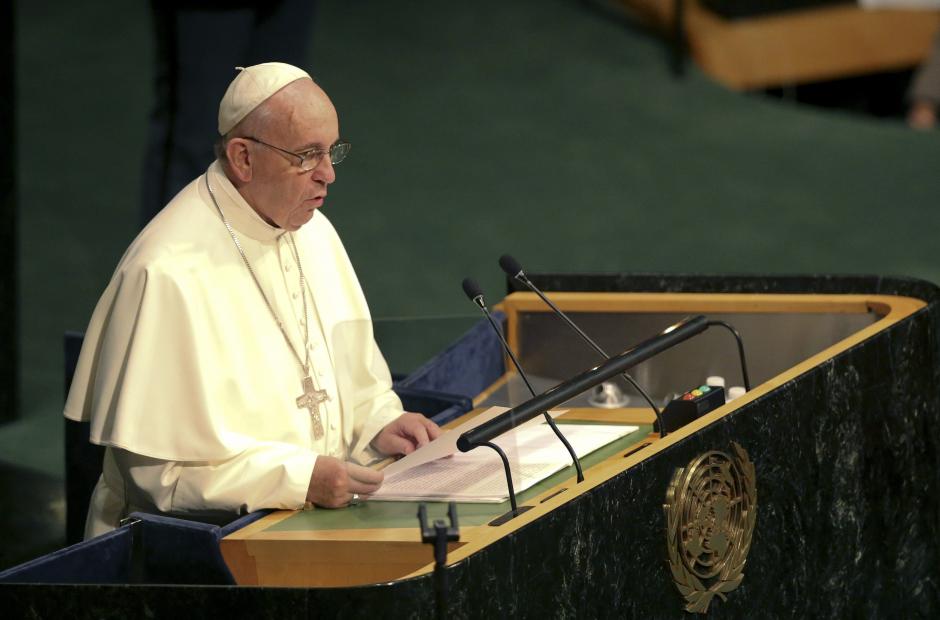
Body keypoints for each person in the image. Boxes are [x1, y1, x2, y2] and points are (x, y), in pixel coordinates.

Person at [66, 62, 440, 539]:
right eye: (307, 156)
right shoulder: (165, 273)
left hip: (311, 530)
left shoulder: (313, 232)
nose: (327, 175)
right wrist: (299, 479)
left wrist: (379, 425)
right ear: (243, 158)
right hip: (194, 558)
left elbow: (353, 384)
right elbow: (161, 481)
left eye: (332, 152)